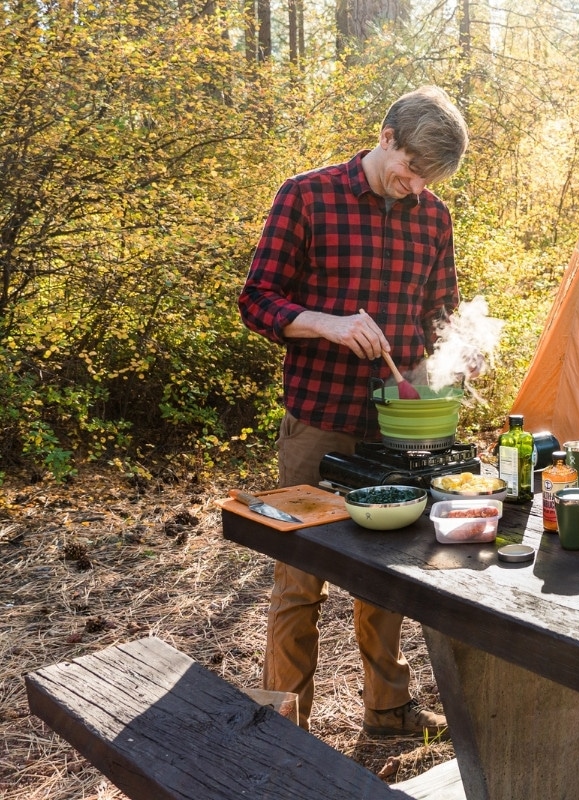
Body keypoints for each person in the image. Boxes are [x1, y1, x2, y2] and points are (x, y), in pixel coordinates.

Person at [238, 85, 468, 737]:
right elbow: (256, 301)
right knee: (299, 579)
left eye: (432, 179)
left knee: (387, 575)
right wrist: (327, 325)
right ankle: (282, 722)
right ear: (387, 136)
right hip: (317, 421)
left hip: (395, 430)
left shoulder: (433, 217)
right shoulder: (305, 196)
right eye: (413, 170)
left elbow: (441, 313)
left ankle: (388, 707)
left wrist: (452, 358)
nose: (418, 187)